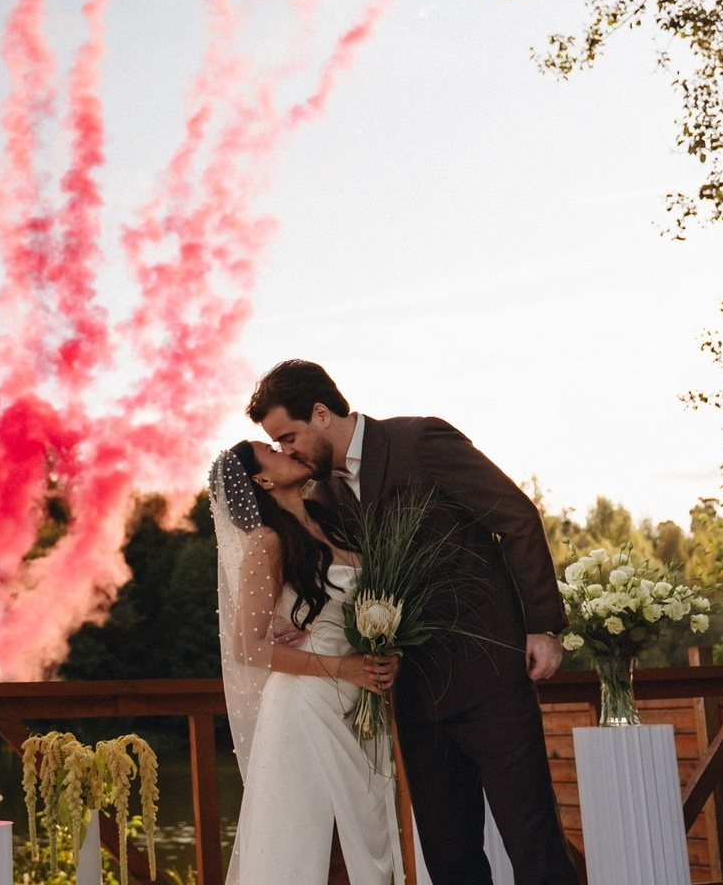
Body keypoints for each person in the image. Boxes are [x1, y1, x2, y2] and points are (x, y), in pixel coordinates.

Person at [246, 359, 579, 885]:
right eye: (278, 446)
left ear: (321, 413)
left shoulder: (419, 441)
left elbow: (516, 516)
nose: (288, 451)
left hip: (490, 674)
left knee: (532, 842)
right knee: (449, 858)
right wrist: (296, 619)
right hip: (414, 694)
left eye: (289, 437)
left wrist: (543, 626)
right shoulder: (326, 498)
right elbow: (331, 577)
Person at [211, 438, 402, 885]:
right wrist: (346, 668)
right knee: (318, 848)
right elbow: (247, 647)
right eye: (273, 453)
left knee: (363, 841)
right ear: (262, 479)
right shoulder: (267, 542)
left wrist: (382, 653)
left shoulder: (331, 523)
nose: (289, 453)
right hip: (305, 708)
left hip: (360, 709)